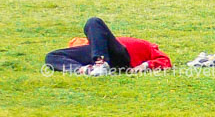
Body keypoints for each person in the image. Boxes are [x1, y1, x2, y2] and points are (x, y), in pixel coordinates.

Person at [43, 17, 171, 74]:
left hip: (120, 57)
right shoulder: (89, 42)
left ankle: (100, 64)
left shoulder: (147, 45)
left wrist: (144, 66)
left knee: (93, 22)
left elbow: (165, 60)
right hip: (93, 55)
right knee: (51, 56)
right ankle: (85, 70)